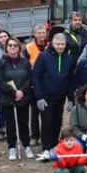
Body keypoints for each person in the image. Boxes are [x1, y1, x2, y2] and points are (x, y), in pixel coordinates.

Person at [32, 33, 75, 161]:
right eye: (58, 44)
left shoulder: (69, 58)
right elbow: (36, 76)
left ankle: (53, 146)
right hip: (46, 97)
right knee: (47, 122)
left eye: (62, 44)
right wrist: (39, 96)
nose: (60, 47)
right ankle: (45, 148)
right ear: (52, 43)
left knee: (57, 122)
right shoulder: (44, 56)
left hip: (60, 97)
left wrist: (71, 98)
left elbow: (70, 79)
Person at [0, 37, 34, 160]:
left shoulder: (25, 62)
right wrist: (13, 92)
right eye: (10, 45)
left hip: (23, 96)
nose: (12, 47)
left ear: (19, 47)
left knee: (23, 122)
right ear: (6, 47)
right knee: (10, 123)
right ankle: (12, 147)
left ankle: (26, 145)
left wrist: (22, 91)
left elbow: (29, 79)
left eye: (15, 45)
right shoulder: (0, 63)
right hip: (8, 97)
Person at [25, 25, 48, 147]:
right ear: (35, 34)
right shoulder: (29, 48)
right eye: (39, 32)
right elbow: (24, 66)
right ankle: (34, 136)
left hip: (47, 84)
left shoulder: (50, 46)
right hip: (34, 84)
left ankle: (46, 135)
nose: (41, 35)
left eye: (43, 32)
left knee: (47, 112)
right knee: (34, 112)